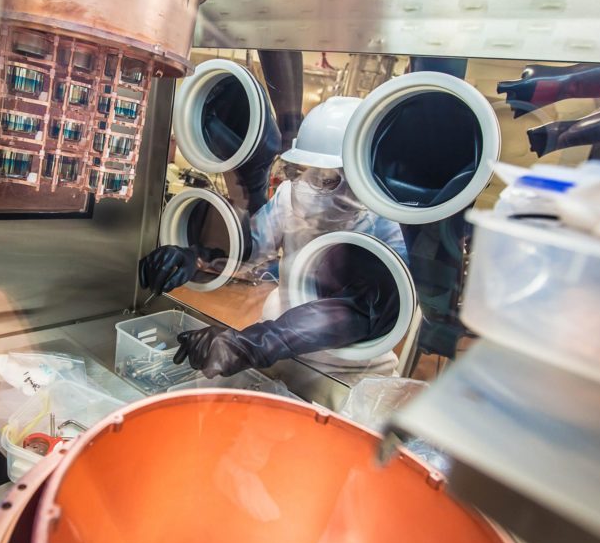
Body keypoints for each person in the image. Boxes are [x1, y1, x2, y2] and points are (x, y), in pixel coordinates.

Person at [139, 97, 407, 379]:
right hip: (279, 352)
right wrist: (196, 257)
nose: (307, 187)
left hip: (348, 373)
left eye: (326, 179)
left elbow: (357, 311)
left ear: (361, 177)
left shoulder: (388, 227)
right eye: (299, 171)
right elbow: (251, 248)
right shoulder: (291, 196)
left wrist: (251, 343)